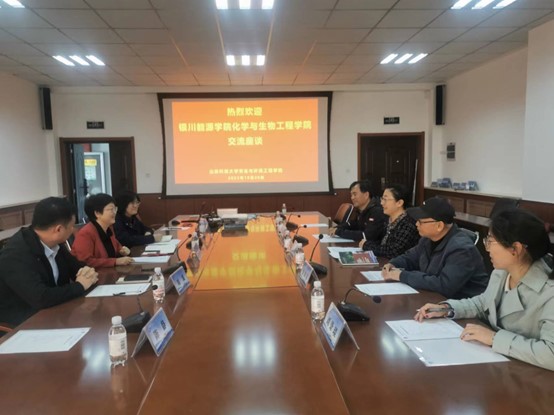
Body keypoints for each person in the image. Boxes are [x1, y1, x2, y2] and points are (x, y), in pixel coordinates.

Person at [415, 209, 554, 371]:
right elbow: (484, 303)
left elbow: (550, 354)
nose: (487, 248)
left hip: (532, 376)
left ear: (515, 248)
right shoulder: (502, 272)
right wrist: (448, 308)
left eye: (491, 241)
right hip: (502, 365)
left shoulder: (549, 292)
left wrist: (494, 339)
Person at [0, 197, 98, 327]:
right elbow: (41, 298)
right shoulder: (15, 255)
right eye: (71, 226)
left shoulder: (55, 243)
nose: (73, 230)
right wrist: (79, 286)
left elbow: (78, 269)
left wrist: (87, 272)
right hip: (23, 323)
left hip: (57, 312)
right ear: (58, 229)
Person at [382, 196, 488, 298]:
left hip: (461, 305)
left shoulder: (461, 249)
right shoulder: (427, 239)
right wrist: (393, 264)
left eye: (421, 222)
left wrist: (402, 275)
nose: (416, 224)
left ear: (439, 226)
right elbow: (410, 257)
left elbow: (444, 285)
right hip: (435, 299)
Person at [72, 193, 133, 268]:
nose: (114, 212)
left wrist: (123, 251)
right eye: (111, 209)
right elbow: (85, 261)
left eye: (115, 209)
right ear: (97, 213)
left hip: (108, 271)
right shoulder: (86, 233)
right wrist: (115, 261)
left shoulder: (108, 228)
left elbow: (118, 248)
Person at [360, 184, 419, 258]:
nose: (381, 203)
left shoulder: (408, 224)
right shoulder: (387, 219)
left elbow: (393, 251)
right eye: (382, 199)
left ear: (399, 203)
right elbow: (381, 243)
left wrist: (366, 245)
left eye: (385, 199)